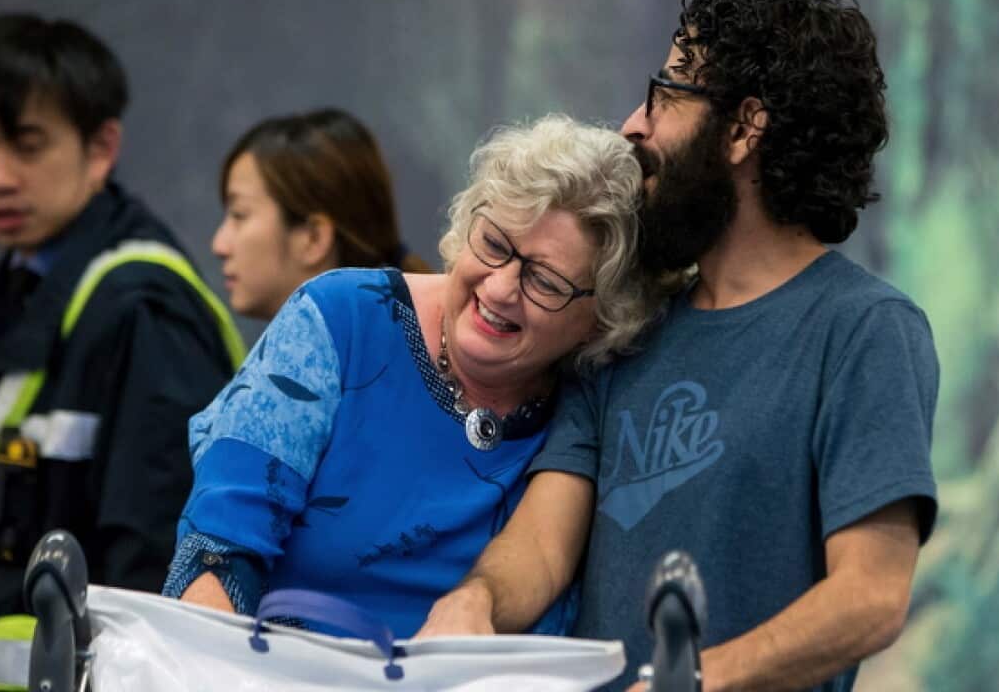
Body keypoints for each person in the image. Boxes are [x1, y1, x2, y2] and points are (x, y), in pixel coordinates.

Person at [419, 0, 940, 692]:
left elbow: (872, 598)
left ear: (742, 128)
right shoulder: (630, 326)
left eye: (666, 95)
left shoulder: (863, 330)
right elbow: (543, 545)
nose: (634, 125)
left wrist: (694, 679)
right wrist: (473, 602)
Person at [162, 114, 664, 639]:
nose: (499, 290)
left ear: (600, 319)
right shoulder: (340, 320)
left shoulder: (589, 399)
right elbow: (217, 549)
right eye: (494, 244)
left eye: (544, 281)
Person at [0, 14, 244, 690]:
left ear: (101, 148)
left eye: (27, 147)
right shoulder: (14, 296)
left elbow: (156, 575)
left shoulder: (142, 309)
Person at [213, 108, 432, 320]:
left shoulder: (363, 353)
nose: (218, 246)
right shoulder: (394, 339)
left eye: (239, 214)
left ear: (313, 237)